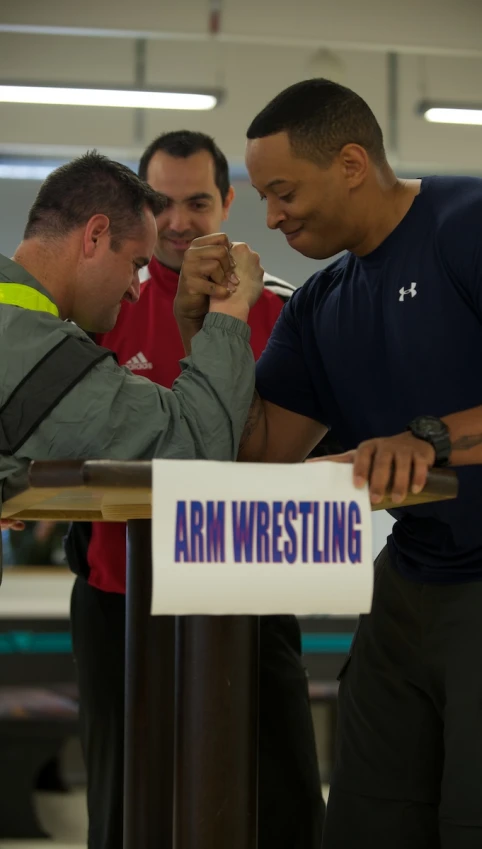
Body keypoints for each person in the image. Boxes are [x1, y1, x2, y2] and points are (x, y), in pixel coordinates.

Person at [226, 77, 482, 849]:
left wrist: (428, 437)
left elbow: (418, 441)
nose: (270, 217)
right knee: (367, 821)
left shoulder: (465, 225)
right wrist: (219, 322)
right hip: (410, 583)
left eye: (282, 191)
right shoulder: (318, 303)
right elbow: (260, 457)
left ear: (349, 162)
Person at [66, 131, 324, 849]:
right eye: (162, 202)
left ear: (229, 200)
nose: (178, 221)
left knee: (283, 799)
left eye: (199, 201)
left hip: (246, 593)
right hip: (121, 597)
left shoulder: (282, 311)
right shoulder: (106, 302)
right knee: (126, 807)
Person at [0, 150, 264, 573]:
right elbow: (197, 450)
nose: (134, 290)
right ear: (96, 235)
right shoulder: (36, 352)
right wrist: (229, 309)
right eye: (135, 265)